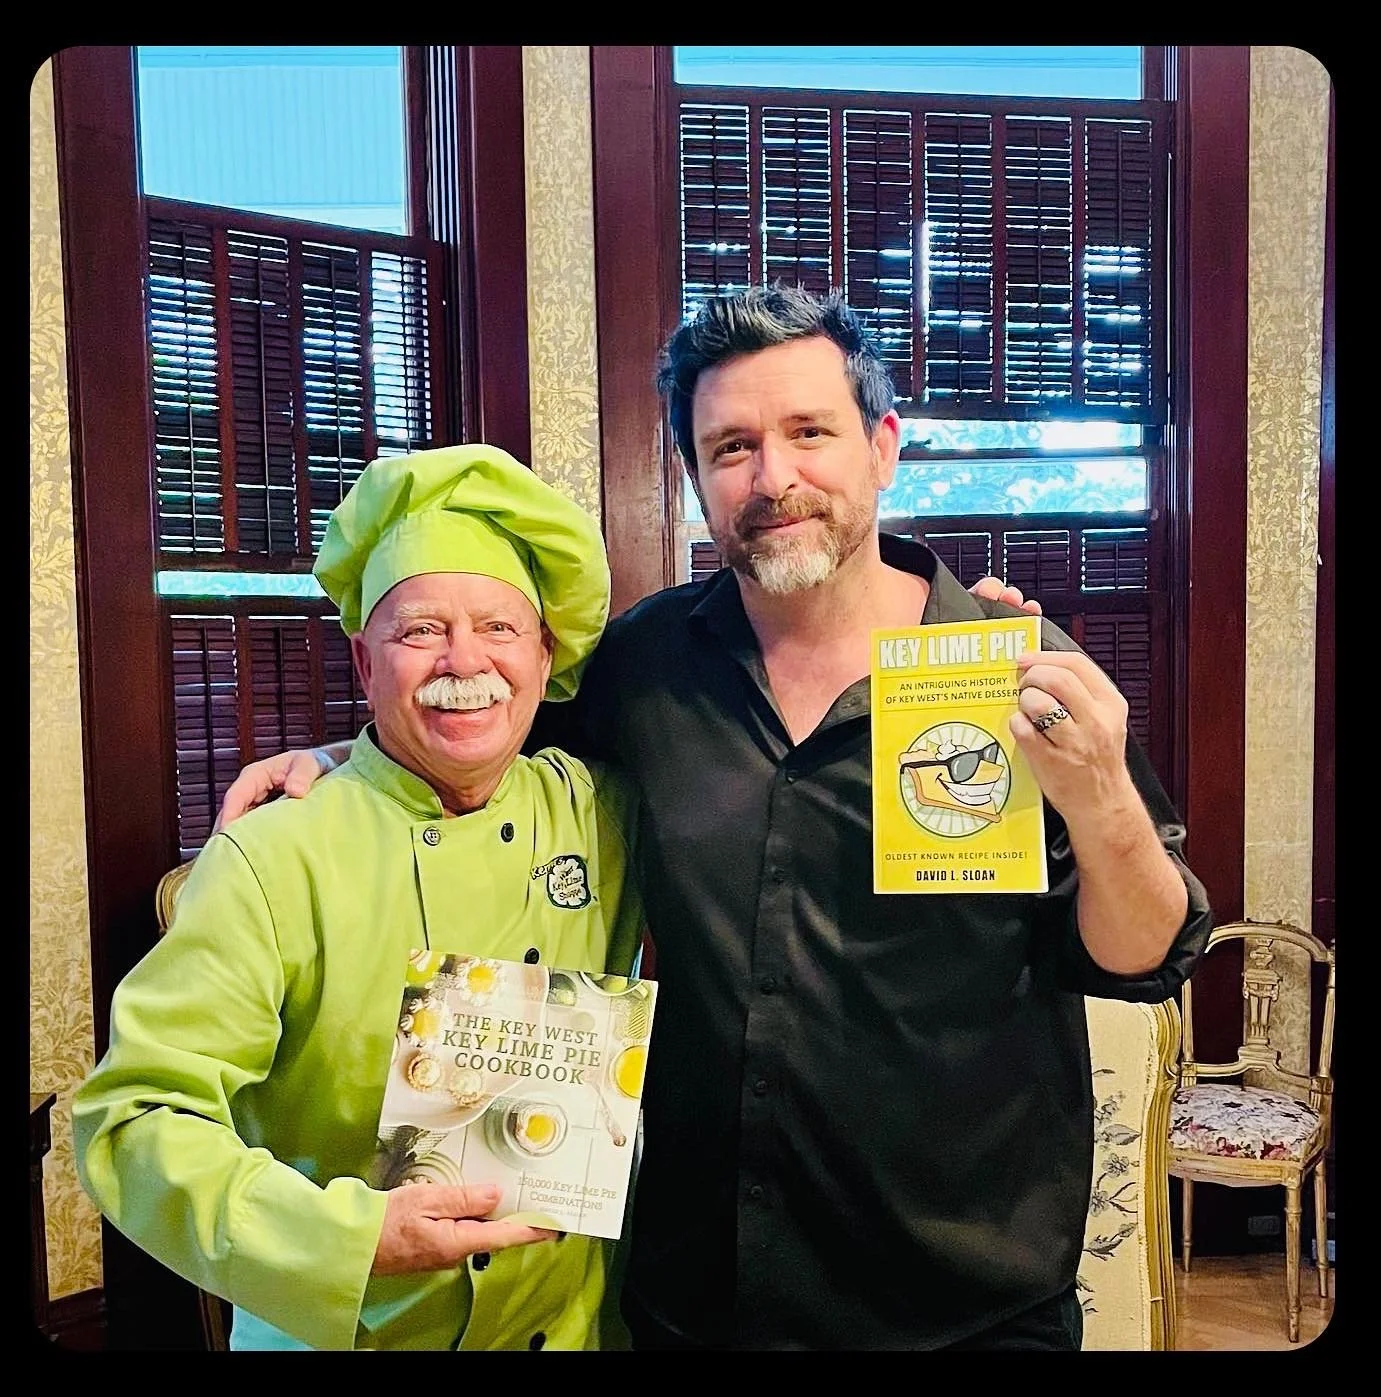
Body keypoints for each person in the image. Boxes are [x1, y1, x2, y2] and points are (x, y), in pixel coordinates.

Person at [215, 285, 1212, 1351]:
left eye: (808, 433)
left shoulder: (1008, 664)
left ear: (881, 446)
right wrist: (343, 755)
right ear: (693, 479)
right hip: (696, 1292)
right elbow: (481, 722)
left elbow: (1143, 955)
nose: (773, 478)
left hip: (962, 1299)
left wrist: (1100, 795)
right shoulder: (643, 666)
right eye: (731, 445)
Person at [72, 445, 646, 1351]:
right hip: (348, 1329)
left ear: (546, 653)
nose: (466, 661)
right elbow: (134, 1117)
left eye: (500, 627)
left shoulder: (607, 812)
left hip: (574, 1326)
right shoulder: (276, 853)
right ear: (361, 659)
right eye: (420, 632)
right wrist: (347, 1236)